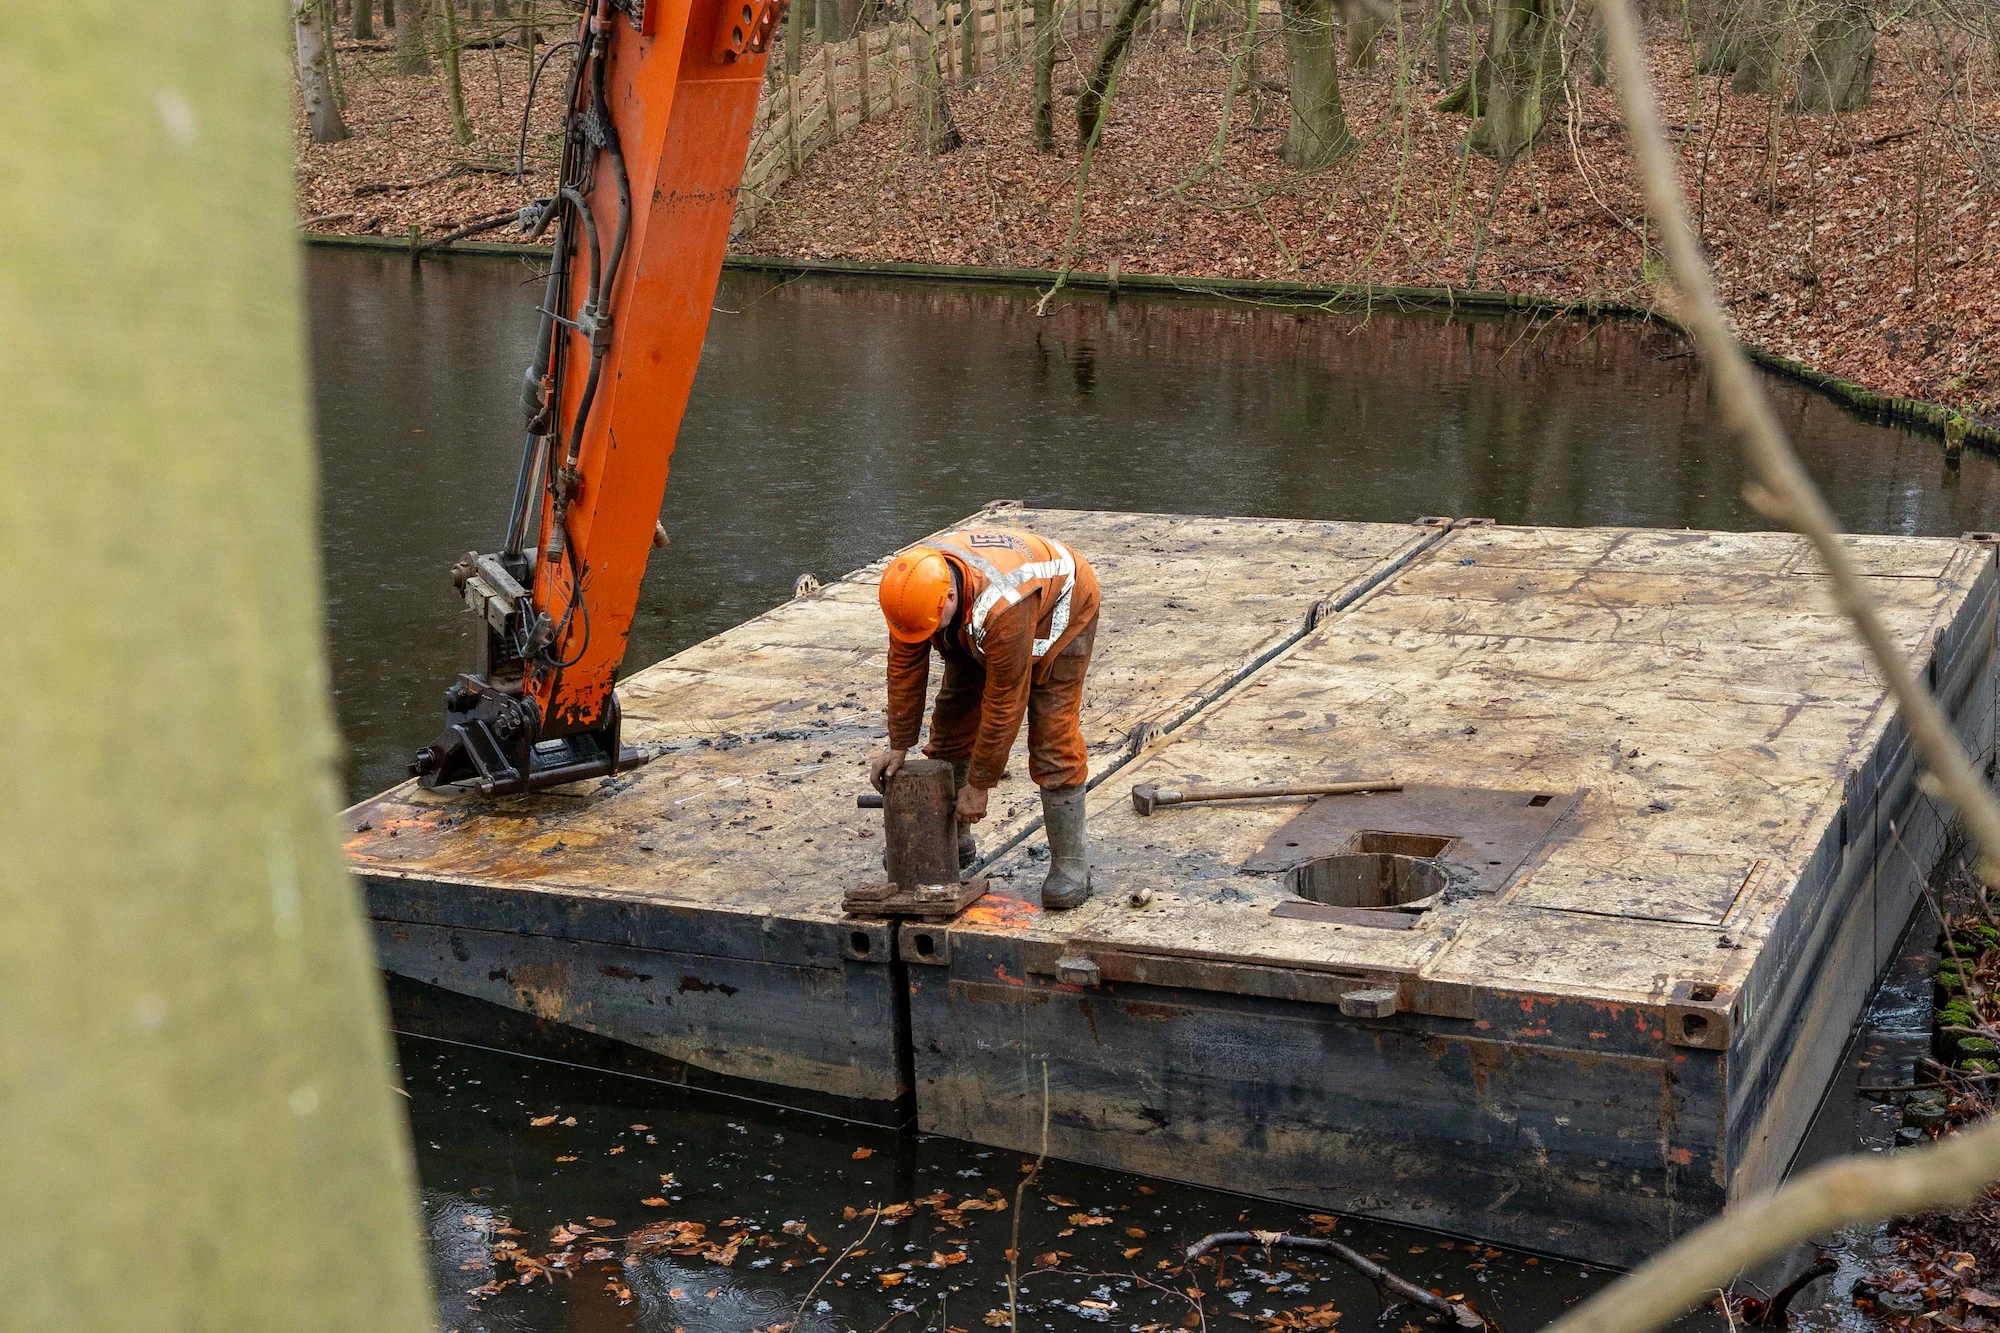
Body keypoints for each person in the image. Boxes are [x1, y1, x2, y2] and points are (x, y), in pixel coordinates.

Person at [868, 527, 1101, 910]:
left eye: (931, 627)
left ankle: (1070, 865)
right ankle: (954, 841)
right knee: (952, 719)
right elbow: (905, 668)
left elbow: (1005, 702)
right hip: (976, 621)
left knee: (1052, 733)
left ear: (950, 596)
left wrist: (980, 785)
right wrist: (899, 743)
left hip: (1063, 609)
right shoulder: (914, 592)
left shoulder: (1003, 605)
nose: (924, 635)